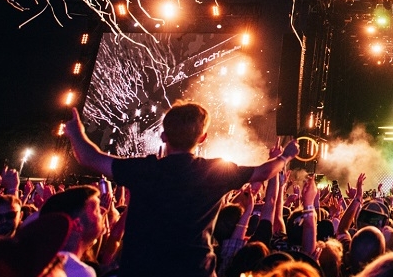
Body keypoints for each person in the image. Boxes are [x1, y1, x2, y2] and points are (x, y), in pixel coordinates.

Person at [63, 103, 298, 277]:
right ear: (202, 137)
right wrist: (285, 157)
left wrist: (76, 132)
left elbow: (89, 157)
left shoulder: (144, 169)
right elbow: (264, 172)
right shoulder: (213, 172)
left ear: (164, 136)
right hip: (194, 271)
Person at [39, 186, 106, 277]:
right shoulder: (79, 272)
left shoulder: (39, 262)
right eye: (97, 210)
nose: (104, 210)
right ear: (77, 225)